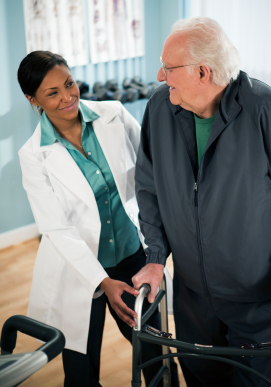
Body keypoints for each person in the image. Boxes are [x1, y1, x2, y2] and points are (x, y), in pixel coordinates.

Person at [132, 17, 271, 387]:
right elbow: (148, 187)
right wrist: (154, 257)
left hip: (255, 295)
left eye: (168, 67)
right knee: (200, 378)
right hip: (192, 296)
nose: (161, 76)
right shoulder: (160, 109)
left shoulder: (266, 111)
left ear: (202, 71)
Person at [17, 51, 178, 387]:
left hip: (134, 258)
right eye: (52, 93)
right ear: (34, 101)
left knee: (155, 354)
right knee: (80, 371)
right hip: (80, 272)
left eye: (69, 83)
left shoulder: (114, 116)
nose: (67, 97)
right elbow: (56, 228)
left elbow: (150, 173)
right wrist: (102, 282)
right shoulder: (33, 156)